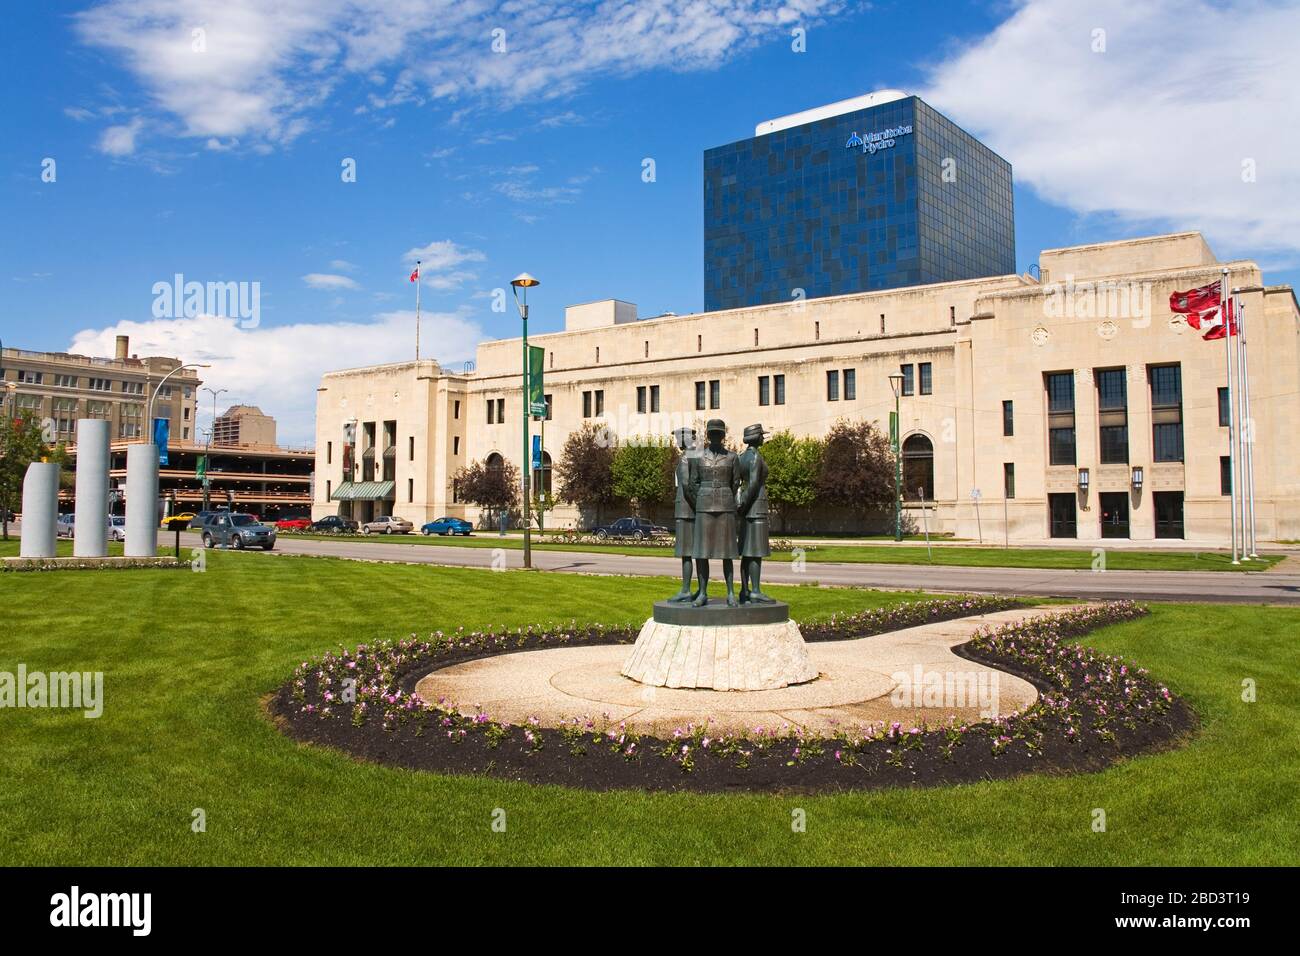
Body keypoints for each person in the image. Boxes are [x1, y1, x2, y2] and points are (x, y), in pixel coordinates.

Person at [687, 419, 742, 607]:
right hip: (704, 506)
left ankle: (731, 593)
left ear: (723, 435)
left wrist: (725, 496)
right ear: (708, 436)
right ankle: (702, 593)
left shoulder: (733, 457)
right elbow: (693, 483)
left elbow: (736, 483)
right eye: (712, 433)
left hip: (725, 506)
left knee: (727, 553)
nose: (715, 437)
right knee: (702, 552)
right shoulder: (698, 457)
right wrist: (702, 500)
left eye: (719, 433)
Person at [737, 423, 775, 603]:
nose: (763, 437)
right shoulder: (755, 458)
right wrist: (743, 505)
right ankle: (755, 591)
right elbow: (752, 485)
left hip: (746, 510)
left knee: (746, 551)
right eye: (762, 435)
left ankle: (745, 590)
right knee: (756, 552)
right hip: (755, 507)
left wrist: (741, 507)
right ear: (756, 437)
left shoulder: (741, 457)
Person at [667, 427, 700, 603]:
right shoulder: (695, 455)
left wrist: (696, 505)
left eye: (678, 439)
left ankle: (687, 590)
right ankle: (698, 591)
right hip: (689, 509)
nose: (676, 442)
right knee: (694, 553)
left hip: (687, 510)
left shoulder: (689, 456)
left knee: (687, 553)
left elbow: (688, 486)